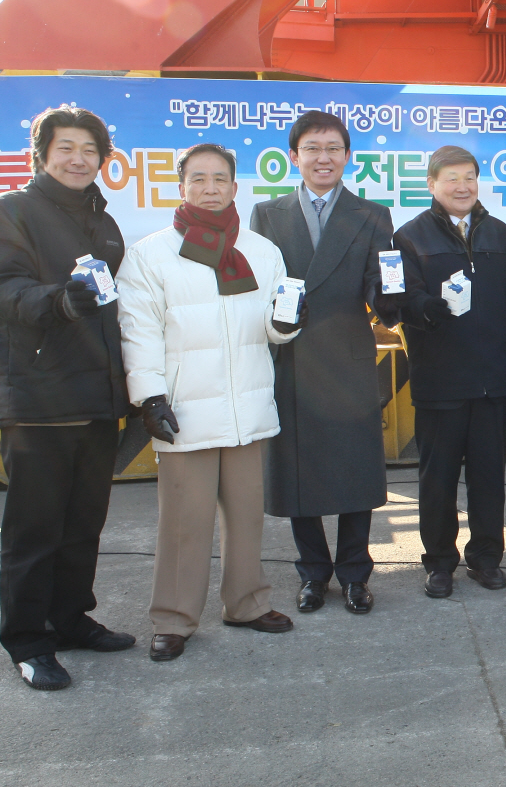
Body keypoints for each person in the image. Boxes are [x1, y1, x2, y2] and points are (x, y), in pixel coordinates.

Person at [117, 143, 301, 662]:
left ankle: (247, 603)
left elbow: (273, 326)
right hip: (185, 410)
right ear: (181, 188)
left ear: (235, 187)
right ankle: (174, 618)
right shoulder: (151, 254)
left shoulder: (262, 251)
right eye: (198, 179)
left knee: (246, 517)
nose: (210, 188)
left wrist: (285, 325)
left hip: (247, 406)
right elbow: (138, 331)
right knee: (184, 521)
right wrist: (150, 397)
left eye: (220, 179)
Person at [0, 106, 134, 690]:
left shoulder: (105, 223)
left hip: (98, 397)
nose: (79, 159)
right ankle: (27, 640)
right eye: (66, 148)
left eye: (89, 150)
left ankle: (71, 618)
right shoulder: (14, 211)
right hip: (40, 400)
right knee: (33, 530)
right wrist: (57, 300)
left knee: (84, 524)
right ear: (42, 155)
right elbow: (7, 288)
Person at [250, 111, 395, 617]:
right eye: (312, 148)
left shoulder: (372, 213)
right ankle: (313, 572)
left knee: (356, 471)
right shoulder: (267, 214)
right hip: (291, 356)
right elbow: (260, 287)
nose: (323, 158)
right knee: (298, 472)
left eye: (333, 148)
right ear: (294, 156)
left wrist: (391, 300)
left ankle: (355, 573)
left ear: (347, 156)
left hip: (349, 356)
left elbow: (379, 282)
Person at [393, 146, 506, 596]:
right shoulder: (409, 236)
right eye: (451, 178)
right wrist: (425, 306)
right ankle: (439, 562)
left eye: (469, 177)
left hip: (492, 379)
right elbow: (399, 300)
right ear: (431, 185)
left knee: (489, 478)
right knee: (438, 480)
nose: (462, 186)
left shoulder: (502, 235)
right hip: (440, 380)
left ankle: (486, 559)